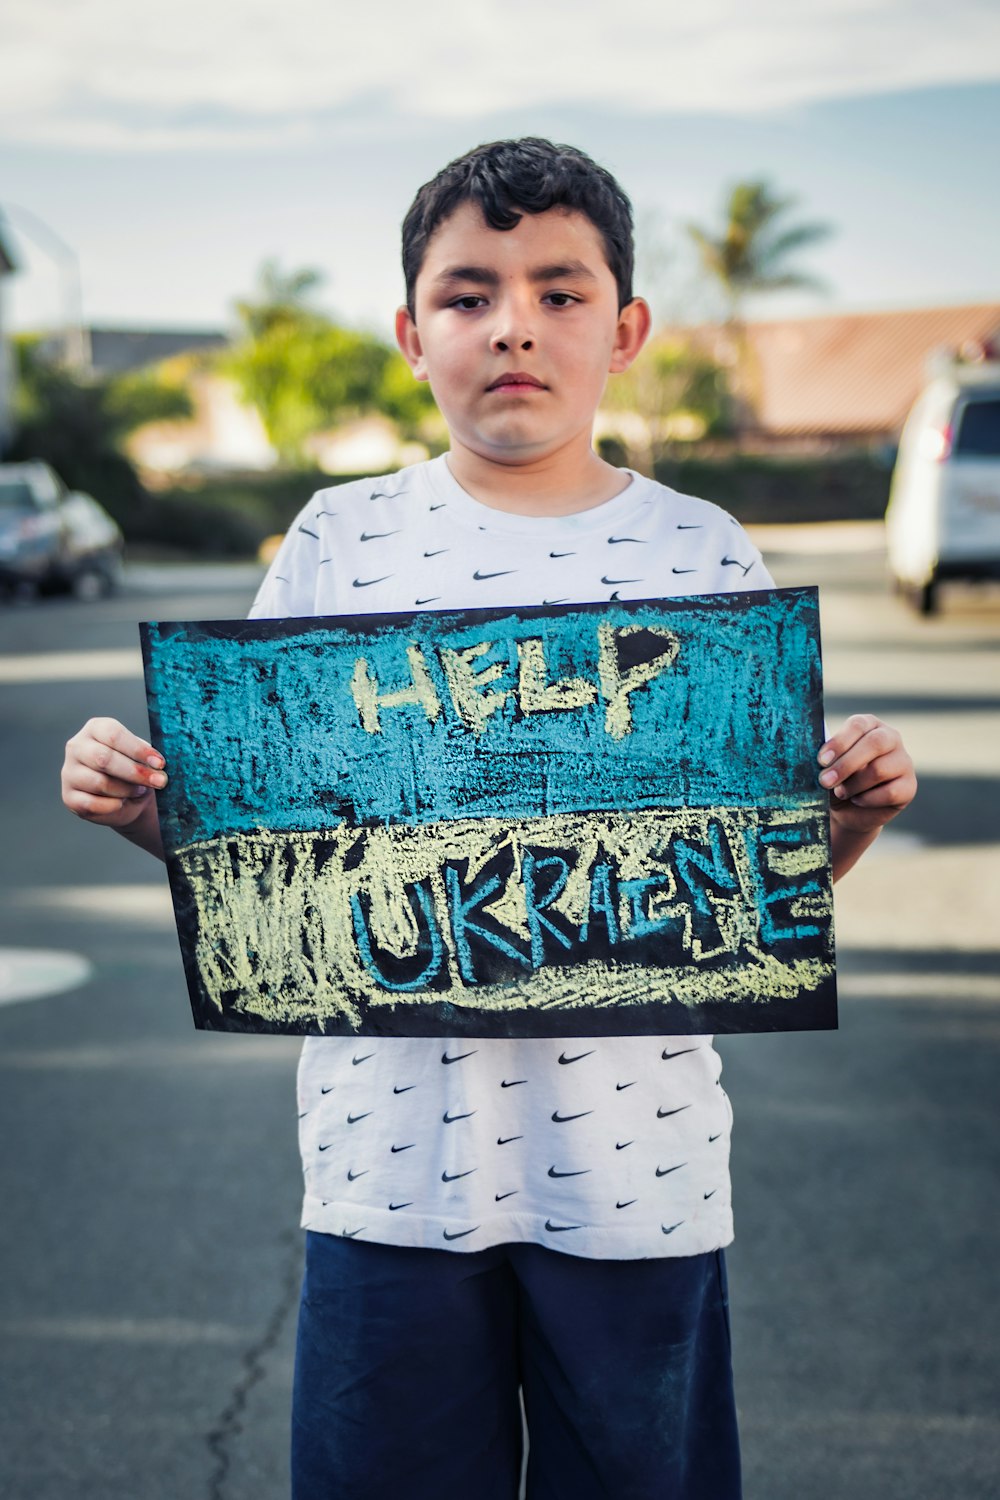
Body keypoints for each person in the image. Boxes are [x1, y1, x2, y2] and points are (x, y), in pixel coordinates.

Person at [61, 138, 917, 1499]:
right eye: (467, 295)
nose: (514, 322)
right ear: (411, 335)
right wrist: (140, 810)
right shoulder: (339, 541)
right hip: (387, 1180)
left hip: (640, 1178)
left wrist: (849, 820)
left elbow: (758, 887)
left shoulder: (701, 555)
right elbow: (262, 856)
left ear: (625, 331)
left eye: (560, 293)